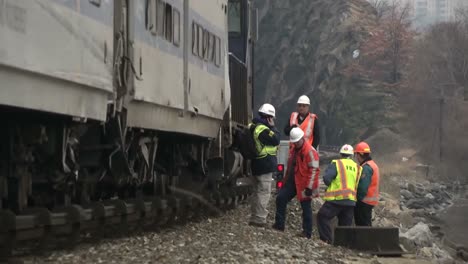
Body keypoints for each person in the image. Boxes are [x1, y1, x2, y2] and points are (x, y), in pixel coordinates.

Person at [272, 127, 320, 238]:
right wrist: (284, 182)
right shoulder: (294, 150)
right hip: (294, 182)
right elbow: (290, 167)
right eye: (294, 142)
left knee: (306, 207)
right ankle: (279, 225)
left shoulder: (310, 151)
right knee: (281, 198)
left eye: (297, 142)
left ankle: (307, 232)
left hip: (304, 184)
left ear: (302, 138)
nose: (296, 144)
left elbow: (314, 170)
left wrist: (309, 187)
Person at [317, 144, 361, 243]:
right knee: (345, 226)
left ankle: (326, 240)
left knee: (322, 216)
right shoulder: (357, 168)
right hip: (350, 201)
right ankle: (344, 245)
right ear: (352, 155)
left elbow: (327, 179)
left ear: (341, 154)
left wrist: (330, 186)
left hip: (336, 199)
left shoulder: (336, 164)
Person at [248, 103, 281, 227]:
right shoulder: (263, 129)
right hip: (264, 163)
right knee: (264, 192)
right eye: (272, 118)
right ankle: (260, 219)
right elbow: (276, 139)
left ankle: (254, 217)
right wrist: (272, 128)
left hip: (257, 163)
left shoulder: (253, 126)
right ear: (269, 117)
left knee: (257, 191)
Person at [354, 141, 380, 226]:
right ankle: (368, 238)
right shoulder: (373, 164)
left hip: (364, 202)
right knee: (367, 225)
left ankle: (365, 239)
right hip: (370, 201)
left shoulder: (366, 167)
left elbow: (362, 187)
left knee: (362, 226)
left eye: (356, 154)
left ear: (358, 154)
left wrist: (357, 199)